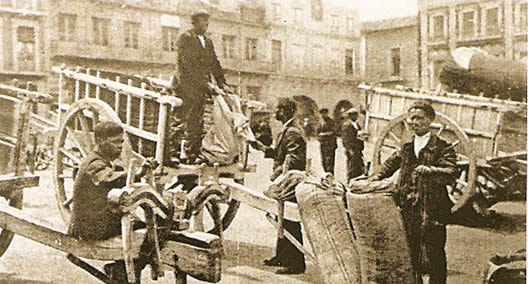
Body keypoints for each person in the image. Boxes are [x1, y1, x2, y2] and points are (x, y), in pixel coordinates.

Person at [368, 101, 457, 284]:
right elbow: (389, 165)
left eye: (419, 118)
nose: (414, 122)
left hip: (433, 208)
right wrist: (374, 179)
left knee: (435, 252)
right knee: (411, 251)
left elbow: (452, 172)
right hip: (410, 206)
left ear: (430, 120)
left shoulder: (442, 146)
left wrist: (431, 170)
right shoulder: (407, 147)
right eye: (411, 118)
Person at [68, 121, 156, 283]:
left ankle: (121, 270)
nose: (120, 147)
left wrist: (139, 173)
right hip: (92, 226)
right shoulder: (93, 164)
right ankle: (121, 271)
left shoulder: (103, 160)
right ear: (100, 142)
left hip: (100, 219)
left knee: (149, 231)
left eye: (122, 142)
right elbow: (108, 178)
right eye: (115, 142)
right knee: (151, 232)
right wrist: (137, 173)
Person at [251, 97, 306, 274]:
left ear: (286, 111)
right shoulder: (288, 130)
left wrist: (278, 172)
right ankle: (282, 256)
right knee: (281, 218)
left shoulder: (292, 132)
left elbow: (295, 159)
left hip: (290, 182)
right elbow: (281, 154)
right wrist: (263, 149)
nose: (275, 113)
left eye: (278, 110)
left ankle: (296, 263)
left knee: (289, 220)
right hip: (285, 181)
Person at [177, 9, 226, 163]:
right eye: (202, 20)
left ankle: (196, 151)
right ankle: (190, 153)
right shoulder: (185, 38)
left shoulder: (207, 40)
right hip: (187, 85)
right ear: (194, 22)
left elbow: (214, 62)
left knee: (198, 119)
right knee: (191, 119)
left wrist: (222, 82)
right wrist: (207, 84)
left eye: (207, 20)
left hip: (200, 86)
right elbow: (189, 66)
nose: (206, 23)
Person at [342, 107, 364, 180]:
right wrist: (349, 149)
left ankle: (356, 180)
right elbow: (345, 139)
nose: (355, 116)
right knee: (352, 166)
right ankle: (350, 180)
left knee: (358, 166)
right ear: (350, 116)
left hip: (358, 149)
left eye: (356, 115)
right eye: (353, 115)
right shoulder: (347, 125)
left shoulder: (357, 124)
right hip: (352, 149)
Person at [318, 108, 337, 174]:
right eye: (322, 114)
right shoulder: (320, 123)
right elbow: (317, 132)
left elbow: (334, 132)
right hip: (323, 144)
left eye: (324, 113)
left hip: (330, 144)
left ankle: (331, 174)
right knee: (324, 160)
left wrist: (324, 134)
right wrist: (319, 136)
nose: (323, 115)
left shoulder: (331, 122)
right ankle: (326, 173)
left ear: (327, 113)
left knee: (330, 161)